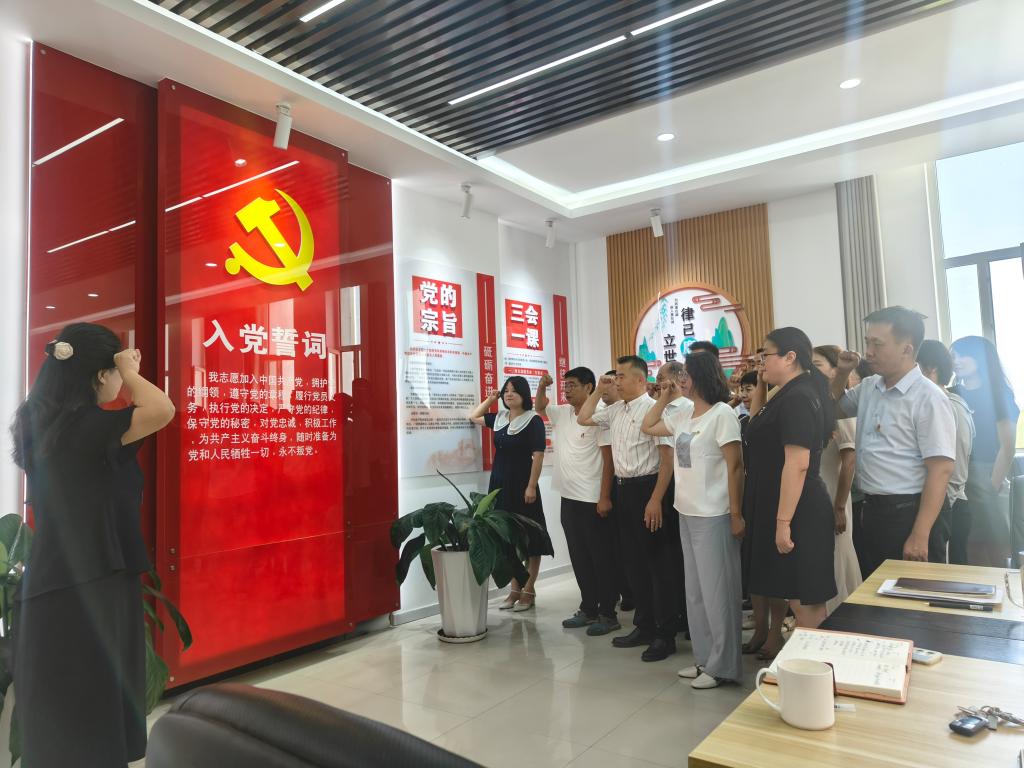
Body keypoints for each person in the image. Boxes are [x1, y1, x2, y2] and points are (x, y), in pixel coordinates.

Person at [10, 323, 175, 767]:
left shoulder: (45, 425)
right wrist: (132, 370)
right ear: (101, 375)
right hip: (92, 585)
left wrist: (124, 368)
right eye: (116, 372)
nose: (121, 382)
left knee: (64, 717)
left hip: (58, 584)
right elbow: (161, 408)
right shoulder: (89, 428)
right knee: (91, 718)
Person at [642, 352, 744, 689]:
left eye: (686, 375)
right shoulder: (684, 414)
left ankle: (724, 666)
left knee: (719, 594)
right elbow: (648, 425)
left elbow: (735, 467)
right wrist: (665, 398)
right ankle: (704, 659)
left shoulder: (722, 414)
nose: (681, 380)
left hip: (714, 514)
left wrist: (736, 513)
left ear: (701, 376)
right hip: (686, 511)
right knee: (696, 593)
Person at [832, 307, 956, 571]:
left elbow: (941, 469)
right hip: (874, 509)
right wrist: (841, 373)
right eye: (867, 342)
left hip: (911, 511)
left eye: (877, 344)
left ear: (906, 349)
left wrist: (920, 534)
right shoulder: (870, 387)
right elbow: (836, 408)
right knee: (877, 588)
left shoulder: (928, 397)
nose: (868, 352)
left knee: (914, 591)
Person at [578, 356, 681, 662]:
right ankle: (644, 626)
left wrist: (656, 499)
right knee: (634, 564)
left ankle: (665, 634)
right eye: (615, 376)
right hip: (624, 490)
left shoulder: (655, 408)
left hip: (650, 490)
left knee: (658, 565)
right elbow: (584, 417)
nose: (616, 381)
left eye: (621, 376)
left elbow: (667, 461)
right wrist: (599, 390)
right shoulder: (614, 411)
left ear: (640, 379)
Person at [745, 327, 837, 643]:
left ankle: (817, 666)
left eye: (765, 356)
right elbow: (755, 425)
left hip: (800, 509)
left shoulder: (798, 397)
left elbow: (798, 463)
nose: (761, 363)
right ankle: (808, 665)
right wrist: (761, 383)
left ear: (790, 357)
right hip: (789, 503)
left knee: (805, 602)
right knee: (797, 595)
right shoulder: (789, 392)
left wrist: (783, 522)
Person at [536, 368, 620, 635]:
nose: (567, 390)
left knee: (601, 557)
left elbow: (609, 461)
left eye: (572, 385)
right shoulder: (563, 413)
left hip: (593, 499)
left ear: (589, 387)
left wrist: (604, 497)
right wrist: (542, 386)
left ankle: (608, 613)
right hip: (569, 497)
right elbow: (540, 406)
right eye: (565, 385)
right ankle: (588, 608)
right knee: (579, 557)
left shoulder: (598, 416)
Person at [469, 376, 552, 611]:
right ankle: (515, 589)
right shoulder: (500, 418)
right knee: (507, 538)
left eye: (514, 390)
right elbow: (474, 417)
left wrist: (532, 486)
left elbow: (538, 456)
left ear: (524, 394)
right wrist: (490, 399)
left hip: (523, 485)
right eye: (506, 391)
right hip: (499, 484)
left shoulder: (533, 420)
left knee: (530, 538)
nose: (509, 394)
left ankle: (529, 588)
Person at [951, 335, 1019, 567]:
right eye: (953, 356)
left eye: (962, 355)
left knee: (995, 548)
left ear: (980, 357)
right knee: (966, 546)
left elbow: (1007, 447)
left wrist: (991, 486)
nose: (956, 361)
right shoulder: (952, 392)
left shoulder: (999, 394)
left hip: (987, 474)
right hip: (955, 473)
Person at [811, 345, 863, 614]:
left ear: (835, 371)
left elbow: (849, 461)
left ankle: (842, 616)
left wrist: (840, 506)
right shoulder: (815, 405)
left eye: (817, 364)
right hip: (817, 491)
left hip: (834, 494)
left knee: (837, 556)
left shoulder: (840, 410)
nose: (810, 370)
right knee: (820, 557)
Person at [917, 340, 975, 565]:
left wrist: (940, 510)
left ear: (931, 369)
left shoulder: (951, 405)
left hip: (950, 507)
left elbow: (956, 472)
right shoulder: (935, 402)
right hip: (940, 507)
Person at [599, 369, 633, 612]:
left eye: (613, 381)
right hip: (615, 486)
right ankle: (626, 591)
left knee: (631, 547)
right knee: (615, 546)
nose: (609, 386)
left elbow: (609, 462)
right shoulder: (605, 414)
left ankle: (633, 593)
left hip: (631, 484)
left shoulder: (633, 411)